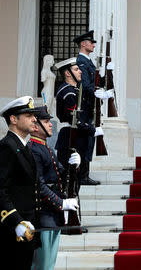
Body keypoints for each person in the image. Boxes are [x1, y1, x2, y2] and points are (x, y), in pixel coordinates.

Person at [0, 96, 41, 269]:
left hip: (27, 230)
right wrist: (17, 221)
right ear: (13, 119)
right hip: (11, 231)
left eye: (34, 115)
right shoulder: (6, 147)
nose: (34, 119)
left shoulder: (23, 147)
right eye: (28, 115)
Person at [29, 105, 80, 270]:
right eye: (46, 121)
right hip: (42, 216)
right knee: (40, 265)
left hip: (53, 216)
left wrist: (75, 167)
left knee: (48, 265)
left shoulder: (47, 148)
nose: (51, 124)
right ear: (35, 126)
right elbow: (39, 185)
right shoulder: (33, 150)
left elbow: (63, 177)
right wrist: (61, 203)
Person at [72, 30, 113, 184]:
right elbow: (86, 85)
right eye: (91, 42)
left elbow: (95, 83)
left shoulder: (88, 61)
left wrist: (107, 74)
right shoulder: (81, 62)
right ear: (84, 44)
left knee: (89, 141)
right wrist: (97, 93)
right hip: (86, 106)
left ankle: (84, 174)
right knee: (84, 142)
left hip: (90, 106)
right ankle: (82, 176)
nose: (94, 44)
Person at [55, 57, 104, 186]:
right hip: (70, 137)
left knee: (74, 184)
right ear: (67, 73)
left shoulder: (75, 90)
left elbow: (84, 111)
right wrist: (93, 129)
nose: (80, 71)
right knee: (69, 181)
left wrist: (99, 97)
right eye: (76, 69)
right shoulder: (68, 93)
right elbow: (74, 119)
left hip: (76, 137)